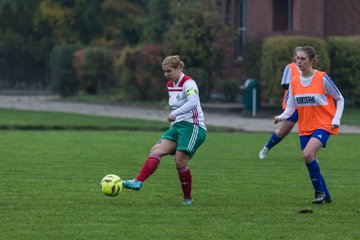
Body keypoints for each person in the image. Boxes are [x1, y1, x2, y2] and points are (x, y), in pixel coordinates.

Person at [122, 55, 207, 206]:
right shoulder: (170, 84)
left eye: (169, 71)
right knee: (156, 150)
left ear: (178, 68)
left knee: (179, 161)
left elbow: (193, 102)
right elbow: (175, 106)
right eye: (164, 71)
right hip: (177, 126)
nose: (166, 74)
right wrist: (173, 125)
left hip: (193, 126)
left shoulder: (189, 83)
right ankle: (137, 181)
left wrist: (174, 114)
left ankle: (187, 198)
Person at [274, 46, 344, 204]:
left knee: (307, 154)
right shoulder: (294, 82)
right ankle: (326, 195)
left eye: (303, 59)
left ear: (311, 61)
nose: (299, 62)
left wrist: (336, 119)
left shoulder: (322, 78)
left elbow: (340, 98)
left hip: (323, 124)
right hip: (305, 127)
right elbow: (291, 107)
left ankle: (318, 193)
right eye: (297, 58)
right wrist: (281, 116)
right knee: (311, 159)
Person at [259, 47, 302, 159]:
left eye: (302, 57)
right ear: (294, 57)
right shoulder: (290, 67)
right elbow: (285, 84)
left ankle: (311, 155)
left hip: (306, 106)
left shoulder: (310, 70)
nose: (300, 59)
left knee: (311, 130)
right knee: (283, 132)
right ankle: (266, 148)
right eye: (298, 57)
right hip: (293, 106)